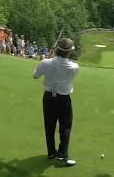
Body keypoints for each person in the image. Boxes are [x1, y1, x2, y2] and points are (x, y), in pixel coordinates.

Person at [33, 38, 79, 166]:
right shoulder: (74, 67)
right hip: (64, 99)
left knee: (49, 126)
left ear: (56, 49)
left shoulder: (45, 62)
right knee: (65, 127)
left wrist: (46, 61)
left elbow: (35, 76)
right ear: (69, 52)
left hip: (48, 98)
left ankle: (51, 152)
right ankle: (62, 154)